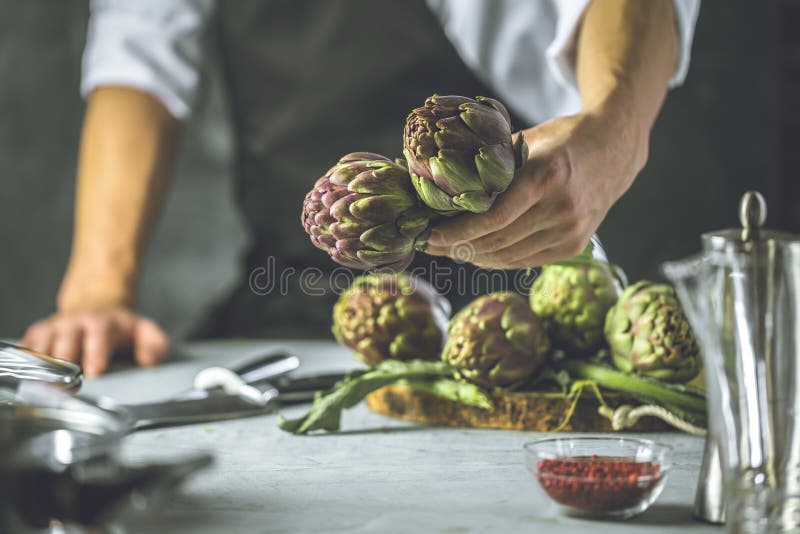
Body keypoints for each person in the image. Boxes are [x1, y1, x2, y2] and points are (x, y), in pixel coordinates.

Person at [20, 0, 700, 377]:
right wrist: (98, 291)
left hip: (524, 297)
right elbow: (137, 50)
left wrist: (613, 127)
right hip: (292, 297)